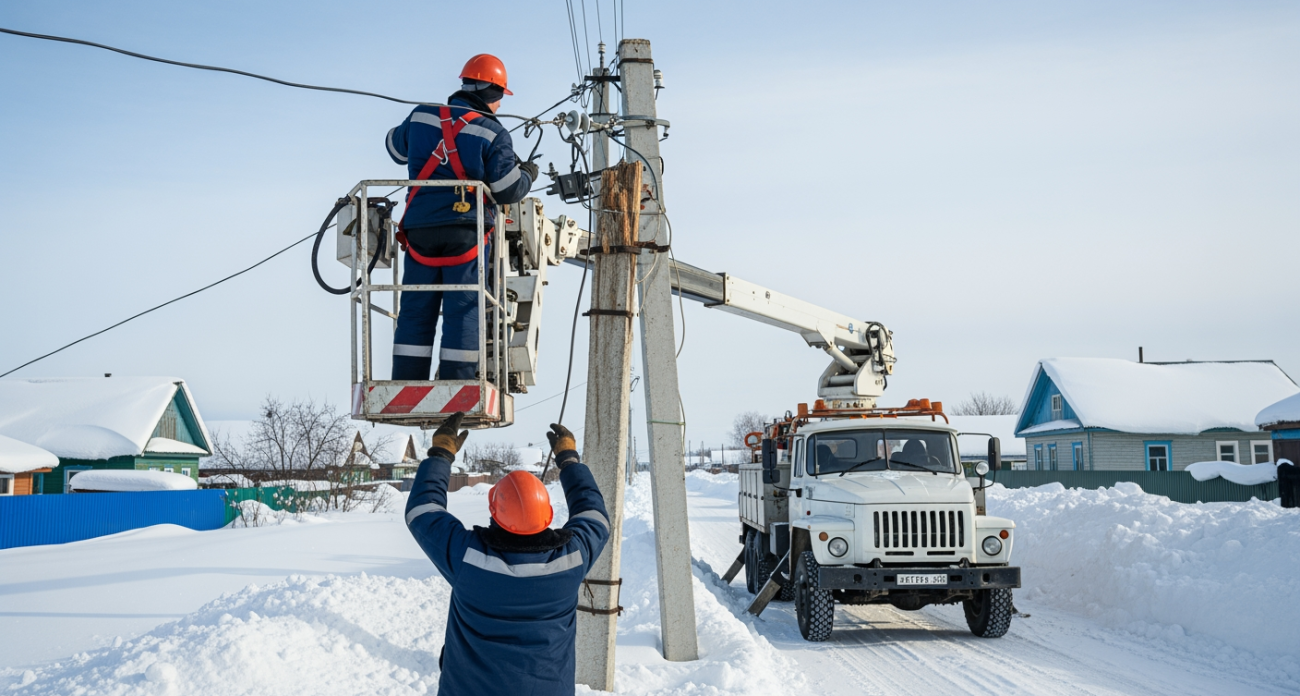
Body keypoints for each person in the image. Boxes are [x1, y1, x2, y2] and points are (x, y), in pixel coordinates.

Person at [404, 413, 610, 695]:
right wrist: (570, 460)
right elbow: (594, 515)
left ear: (494, 513)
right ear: (548, 515)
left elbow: (423, 512)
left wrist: (441, 453)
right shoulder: (572, 560)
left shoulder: (468, 557)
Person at [384, 54, 539, 380]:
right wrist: (527, 172)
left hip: (419, 232)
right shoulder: (493, 132)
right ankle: (458, 383)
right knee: (463, 309)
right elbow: (507, 190)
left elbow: (394, 148)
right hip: (466, 233)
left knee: (415, 311)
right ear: (494, 94)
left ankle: (406, 381)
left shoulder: (422, 116)